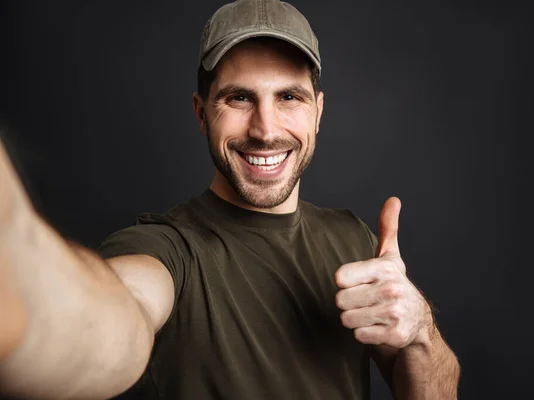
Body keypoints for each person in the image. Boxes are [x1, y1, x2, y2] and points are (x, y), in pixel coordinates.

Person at [0, 0, 460, 398]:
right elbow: (115, 315)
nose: (265, 129)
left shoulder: (352, 238)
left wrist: (421, 330)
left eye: (289, 97)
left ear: (318, 112)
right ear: (202, 115)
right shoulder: (165, 250)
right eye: (239, 98)